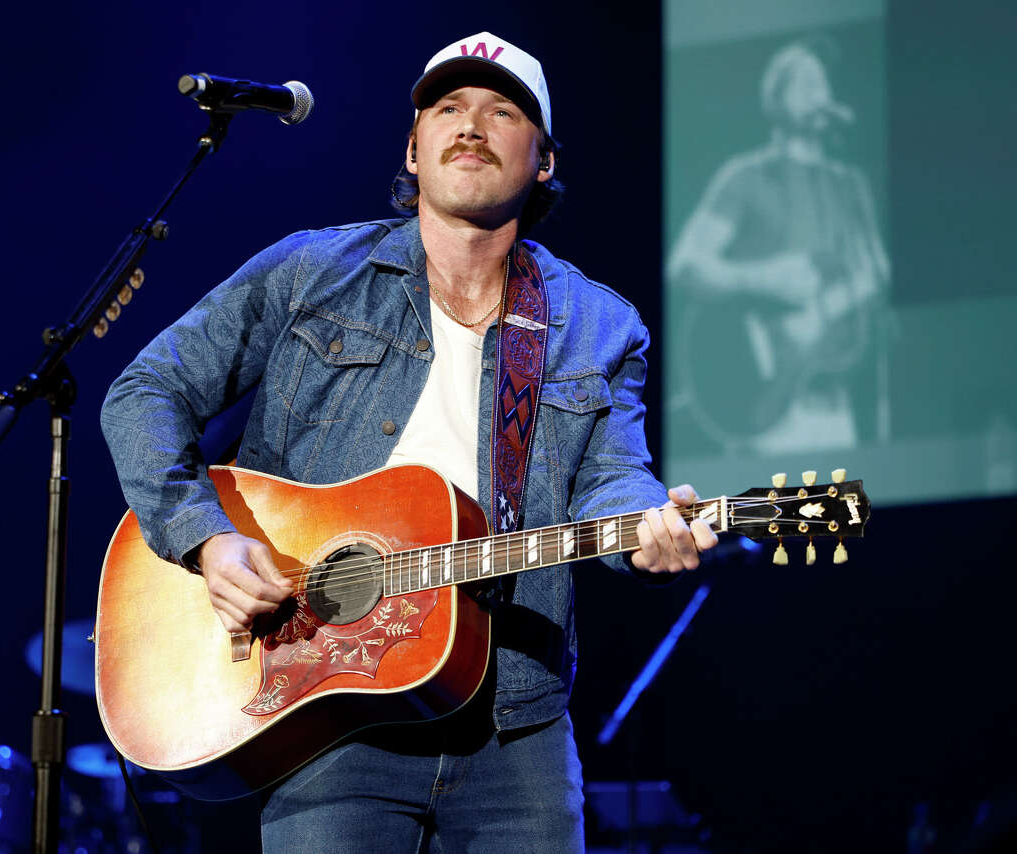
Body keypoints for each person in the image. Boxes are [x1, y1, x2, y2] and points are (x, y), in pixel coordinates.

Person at [102, 31, 717, 853]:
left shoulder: (600, 325)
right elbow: (145, 392)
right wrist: (207, 538)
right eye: (448, 108)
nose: (472, 126)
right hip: (324, 704)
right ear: (413, 150)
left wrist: (648, 527)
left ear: (543, 161)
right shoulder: (311, 273)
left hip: (515, 721)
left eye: (503, 112)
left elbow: (615, 477)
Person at [666, 39, 891, 453]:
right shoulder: (746, 177)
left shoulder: (850, 185)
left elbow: (877, 272)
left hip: (834, 405)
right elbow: (686, 265)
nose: (817, 91)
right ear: (777, 97)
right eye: (804, 82)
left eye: (821, 82)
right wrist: (767, 278)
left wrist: (834, 303)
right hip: (765, 410)